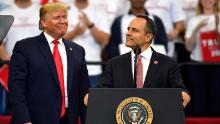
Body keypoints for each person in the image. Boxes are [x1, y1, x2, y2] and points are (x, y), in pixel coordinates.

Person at [8, 2, 90, 124]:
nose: (63, 21)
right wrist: (24, 120)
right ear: (43, 23)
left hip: (68, 119)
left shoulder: (78, 50)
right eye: (57, 18)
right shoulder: (25, 47)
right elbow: (16, 88)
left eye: (65, 17)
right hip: (35, 119)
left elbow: (84, 91)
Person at [90, 15, 191, 108]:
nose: (128, 33)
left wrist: (183, 94)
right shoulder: (114, 64)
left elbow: (179, 88)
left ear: (148, 37)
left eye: (134, 30)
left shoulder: (168, 64)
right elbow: (102, 89)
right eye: (128, 29)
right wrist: (92, 95)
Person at [64, 0, 110, 87]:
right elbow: (55, 40)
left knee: (93, 100)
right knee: (69, 101)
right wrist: (75, 33)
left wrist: (90, 25)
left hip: (93, 70)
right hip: (67, 70)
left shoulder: (99, 10)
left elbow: (105, 40)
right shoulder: (63, 10)